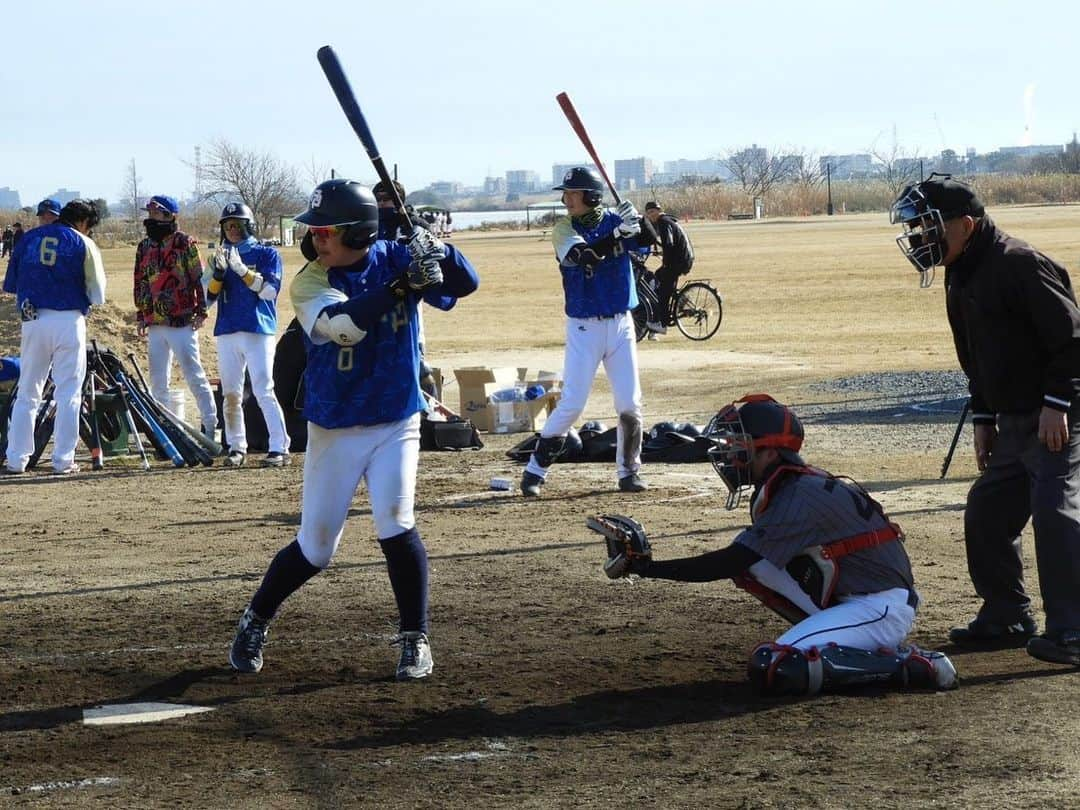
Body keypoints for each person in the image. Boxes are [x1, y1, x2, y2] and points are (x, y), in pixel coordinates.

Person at [228, 179, 478, 681]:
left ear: (357, 233)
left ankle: (414, 638)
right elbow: (345, 326)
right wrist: (402, 285)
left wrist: (438, 248)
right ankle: (256, 618)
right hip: (336, 425)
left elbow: (464, 284)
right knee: (316, 548)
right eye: (315, 231)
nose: (316, 239)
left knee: (395, 521)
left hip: (396, 416)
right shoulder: (309, 282)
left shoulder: (394, 256)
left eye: (325, 231)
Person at [600, 394, 958, 695]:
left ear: (771, 453)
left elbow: (729, 561)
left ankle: (911, 666)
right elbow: (745, 562)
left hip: (878, 607)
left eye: (740, 446)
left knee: (777, 665)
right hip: (861, 598)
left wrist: (649, 567)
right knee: (757, 567)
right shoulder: (790, 484)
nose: (730, 455)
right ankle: (847, 639)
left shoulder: (799, 495)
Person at [891, 174, 1080, 667]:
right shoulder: (962, 271)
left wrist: (1057, 404)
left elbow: (1073, 343)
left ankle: (1074, 631)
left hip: (1057, 419)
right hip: (1014, 421)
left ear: (967, 224)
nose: (918, 239)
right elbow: (977, 357)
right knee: (988, 511)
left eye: (927, 226)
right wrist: (983, 417)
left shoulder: (1021, 264)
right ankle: (1008, 614)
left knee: (1055, 515)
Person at [519, 166, 655, 497]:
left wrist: (637, 218)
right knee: (572, 404)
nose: (566, 200)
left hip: (621, 324)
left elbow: (650, 240)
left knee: (629, 403)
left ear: (591, 197)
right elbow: (587, 256)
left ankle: (628, 472)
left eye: (572, 194)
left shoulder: (615, 220)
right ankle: (534, 471)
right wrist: (621, 233)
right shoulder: (564, 229)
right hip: (584, 327)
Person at [2, 200, 105, 475]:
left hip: (33, 319)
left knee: (27, 390)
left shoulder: (28, 238)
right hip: (69, 319)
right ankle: (62, 460)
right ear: (83, 222)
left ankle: (16, 458)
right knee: (68, 391)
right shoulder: (83, 242)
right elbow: (97, 294)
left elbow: (11, 284)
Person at [205, 202, 291, 467]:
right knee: (230, 392)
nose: (232, 230)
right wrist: (218, 274)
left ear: (248, 226)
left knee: (264, 389)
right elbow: (207, 299)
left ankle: (279, 446)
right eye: (227, 225)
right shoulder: (219, 256)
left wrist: (242, 271)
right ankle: (236, 446)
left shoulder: (267, 253)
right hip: (228, 329)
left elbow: (268, 292)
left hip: (258, 329)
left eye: (237, 225)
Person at [133, 194, 218, 438]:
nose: (151, 218)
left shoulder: (185, 243)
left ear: (170, 215)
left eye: (157, 213)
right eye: (150, 213)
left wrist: (202, 311)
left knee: (194, 375)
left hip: (182, 321)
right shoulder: (144, 246)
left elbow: (199, 279)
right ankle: (164, 430)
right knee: (158, 381)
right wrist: (141, 313)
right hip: (155, 323)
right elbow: (140, 281)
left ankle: (210, 425)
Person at [372, 179, 438, 399]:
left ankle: (430, 416)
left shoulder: (413, 225)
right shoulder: (370, 224)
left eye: (387, 199)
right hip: (374, 297)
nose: (382, 204)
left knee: (415, 360)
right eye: (378, 200)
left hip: (407, 299)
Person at [642, 201, 694, 335]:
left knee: (663, 292)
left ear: (659, 211)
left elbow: (669, 244)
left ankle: (662, 324)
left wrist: (665, 261)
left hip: (678, 262)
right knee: (659, 276)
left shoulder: (663, 223)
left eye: (652, 212)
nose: (650, 215)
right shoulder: (668, 220)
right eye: (648, 213)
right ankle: (680, 299)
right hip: (683, 259)